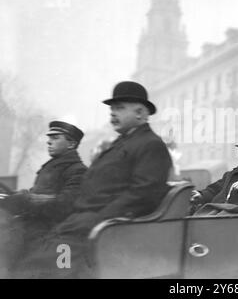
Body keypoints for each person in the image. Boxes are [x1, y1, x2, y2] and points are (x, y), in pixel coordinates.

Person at [13, 81, 173, 278]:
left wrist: (99, 220)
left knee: (41, 266)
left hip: (102, 228)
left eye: (120, 108)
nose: (112, 113)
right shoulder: (123, 144)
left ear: (140, 113)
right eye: (112, 109)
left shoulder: (150, 145)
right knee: (28, 256)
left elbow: (143, 194)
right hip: (79, 222)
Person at [0, 121, 87, 272]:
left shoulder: (78, 170)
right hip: (32, 227)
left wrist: (26, 200)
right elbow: (36, 193)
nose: (49, 141)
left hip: (49, 231)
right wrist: (17, 196)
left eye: (55, 137)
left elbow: (65, 204)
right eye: (49, 137)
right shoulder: (51, 166)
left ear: (71, 144)